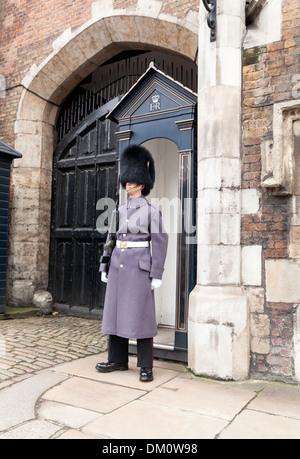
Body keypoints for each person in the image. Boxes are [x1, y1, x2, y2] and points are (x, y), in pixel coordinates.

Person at [96, 144, 168, 382]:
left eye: (132, 180)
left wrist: (156, 273)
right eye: (126, 180)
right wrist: (104, 265)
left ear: (142, 183)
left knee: (141, 317)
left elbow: (159, 242)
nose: (127, 184)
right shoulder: (118, 210)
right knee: (115, 313)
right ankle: (117, 360)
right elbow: (111, 240)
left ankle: (146, 365)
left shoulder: (151, 212)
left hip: (139, 268)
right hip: (118, 266)